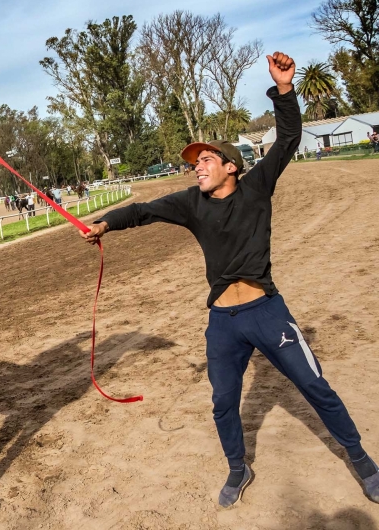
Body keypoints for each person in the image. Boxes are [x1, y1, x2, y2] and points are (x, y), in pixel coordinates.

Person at [81, 51, 378, 508]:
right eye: (194, 162)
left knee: (315, 385)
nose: (197, 165)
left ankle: (361, 462)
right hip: (223, 322)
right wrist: (105, 222)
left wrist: (283, 90)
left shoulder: (257, 188)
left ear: (232, 166)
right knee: (223, 402)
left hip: (266, 311)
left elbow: (289, 138)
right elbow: (141, 211)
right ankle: (238, 469)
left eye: (206, 159)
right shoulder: (190, 203)